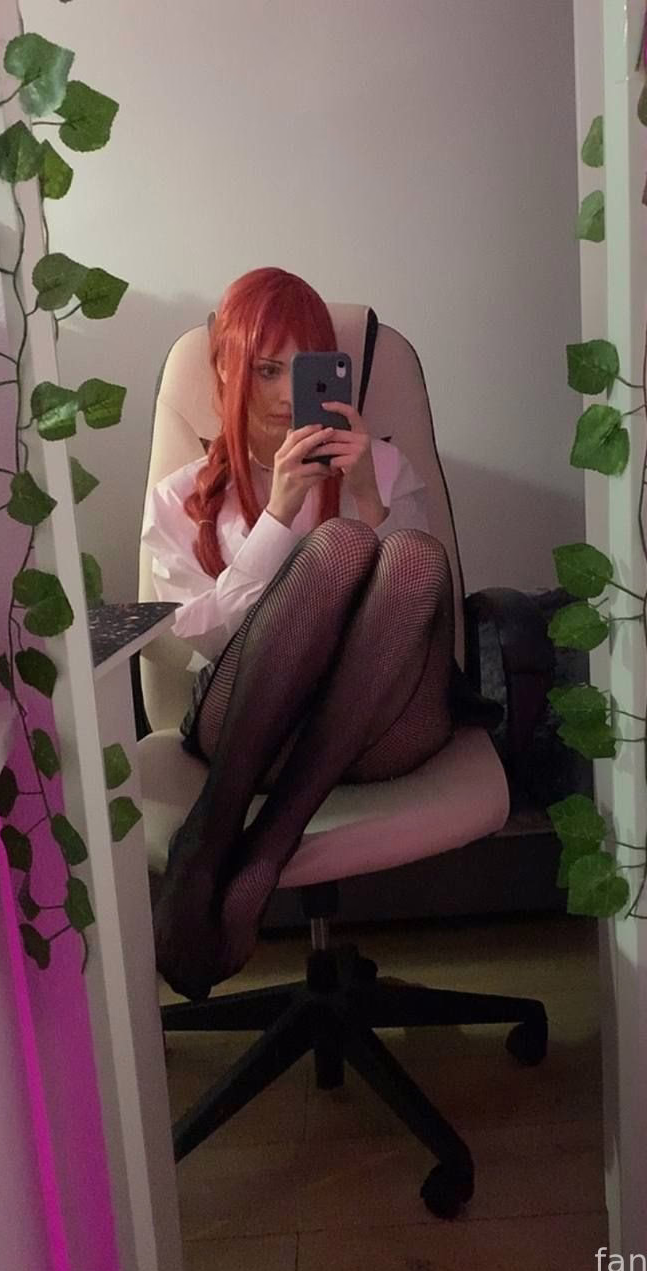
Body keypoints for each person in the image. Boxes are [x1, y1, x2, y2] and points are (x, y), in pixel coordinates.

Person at [141, 267, 499, 1001]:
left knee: (400, 550)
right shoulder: (180, 497)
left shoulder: (383, 466)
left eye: (303, 369)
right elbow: (202, 642)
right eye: (265, 369)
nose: (284, 394)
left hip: (382, 729)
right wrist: (278, 517)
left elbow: (420, 611)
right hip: (250, 733)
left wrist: (366, 493)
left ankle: (261, 844)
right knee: (334, 547)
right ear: (224, 371)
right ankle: (220, 829)